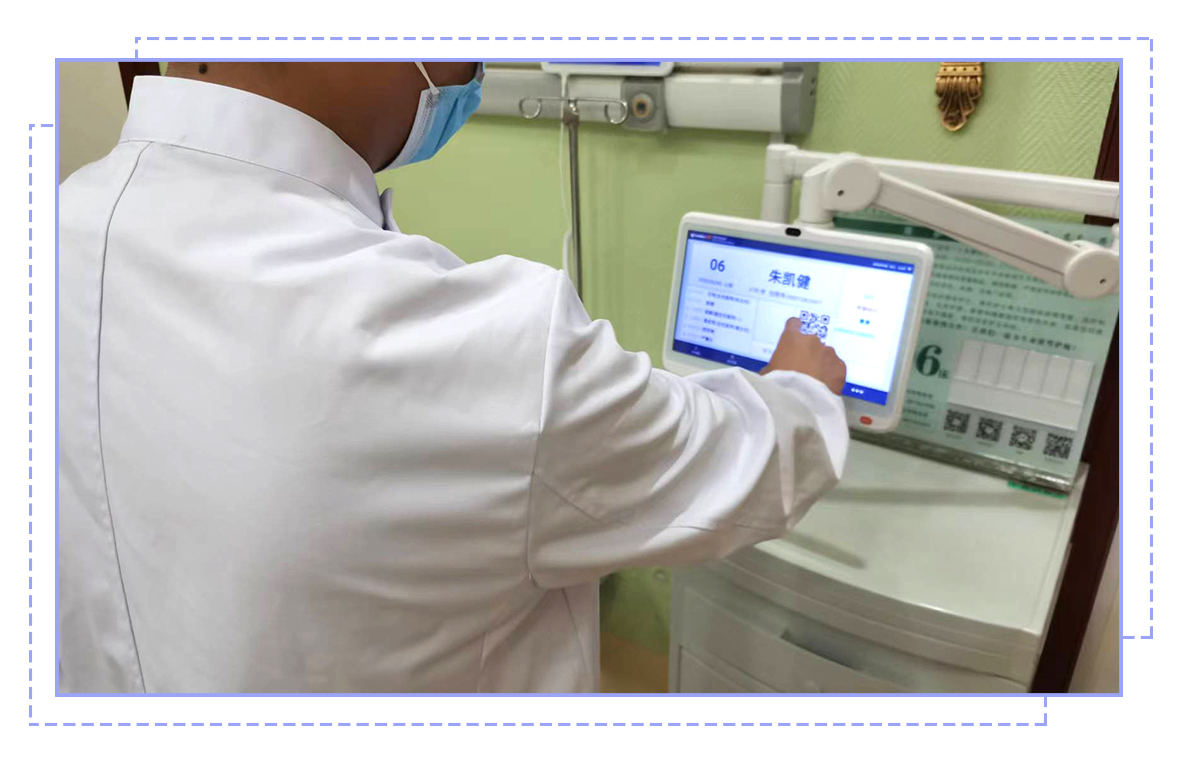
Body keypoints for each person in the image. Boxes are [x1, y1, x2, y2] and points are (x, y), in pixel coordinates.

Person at [58, 61, 849, 693]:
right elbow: (747, 464)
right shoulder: (483, 344)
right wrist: (802, 388)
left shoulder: (57, 222)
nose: (472, 67)